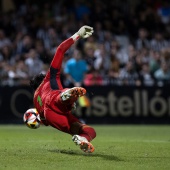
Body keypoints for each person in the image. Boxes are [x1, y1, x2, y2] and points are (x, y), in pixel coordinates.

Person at [29, 26, 96, 153]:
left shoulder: (35, 100)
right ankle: (67, 96)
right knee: (58, 97)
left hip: (54, 118)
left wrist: (35, 121)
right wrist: (77, 34)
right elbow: (60, 50)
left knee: (87, 130)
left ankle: (83, 140)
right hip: (55, 100)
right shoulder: (48, 78)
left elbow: (44, 121)